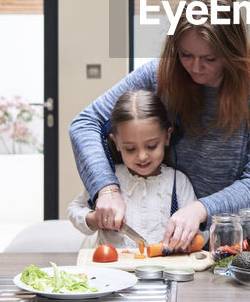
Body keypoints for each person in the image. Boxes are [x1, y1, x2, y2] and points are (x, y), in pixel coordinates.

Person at [70, 0, 250, 251]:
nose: (196, 68)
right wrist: (106, 189)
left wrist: (199, 209)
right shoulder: (160, 74)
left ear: (233, 51)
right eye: (186, 55)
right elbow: (84, 123)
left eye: (209, 58)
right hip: (193, 240)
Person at [66, 89, 197, 250]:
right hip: (113, 269)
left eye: (151, 146)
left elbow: (199, 231)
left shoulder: (178, 182)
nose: (142, 156)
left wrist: (186, 237)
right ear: (117, 143)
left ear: (167, 137)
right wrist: (94, 219)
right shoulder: (110, 180)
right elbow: (74, 210)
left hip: (163, 269)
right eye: (130, 149)